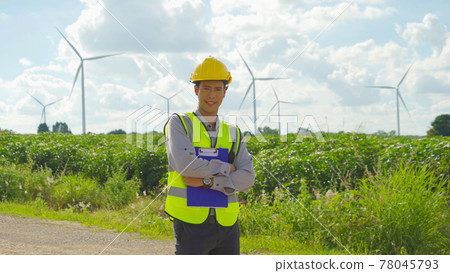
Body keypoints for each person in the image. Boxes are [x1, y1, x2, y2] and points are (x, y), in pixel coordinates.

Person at [163, 56, 255, 255]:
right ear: (196, 90)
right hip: (190, 222)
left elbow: (247, 177)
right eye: (206, 88)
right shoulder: (180, 123)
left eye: (217, 89)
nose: (211, 95)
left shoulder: (234, 132)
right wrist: (227, 168)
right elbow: (186, 166)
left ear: (225, 92)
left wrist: (207, 181)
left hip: (227, 223)